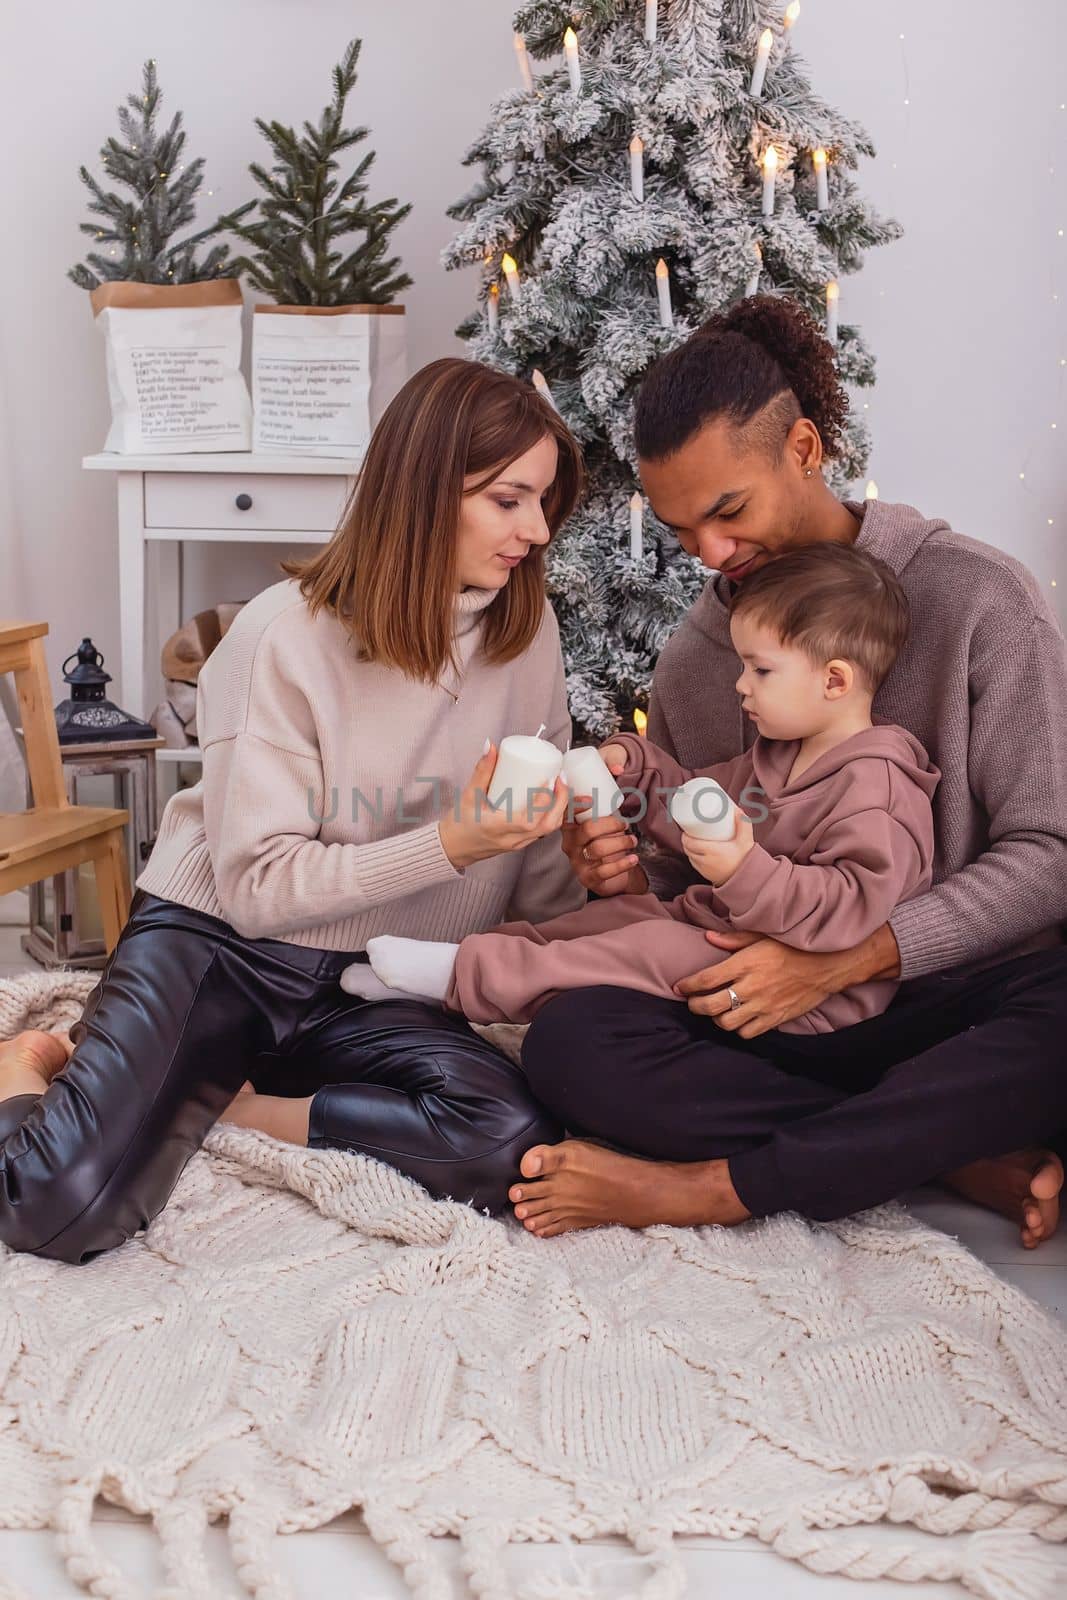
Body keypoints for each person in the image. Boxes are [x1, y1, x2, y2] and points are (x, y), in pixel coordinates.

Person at [504, 296, 1067, 1246]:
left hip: (954, 997)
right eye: (683, 533)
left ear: (802, 449)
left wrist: (854, 957)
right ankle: (930, 1147)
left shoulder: (976, 598)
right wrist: (626, 869)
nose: (713, 557)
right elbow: (689, 885)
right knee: (570, 1044)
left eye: (728, 511)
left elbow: (1049, 854)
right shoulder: (700, 656)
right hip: (776, 1018)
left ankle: (713, 1187)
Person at [0, 357, 588, 1265]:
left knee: (503, 1143)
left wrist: (581, 914)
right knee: (57, 1208)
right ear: (427, 489)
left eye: (543, 501)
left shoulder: (527, 629)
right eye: (508, 500)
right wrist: (451, 843)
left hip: (376, 974)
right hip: (221, 949)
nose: (535, 530)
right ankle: (31, 1061)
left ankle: (229, 1101)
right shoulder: (283, 633)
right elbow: (257, 888)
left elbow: (533, 848)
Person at [361, 544, 940, 1034]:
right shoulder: (776, 755)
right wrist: (632, 767)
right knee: (613, 923)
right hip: (721, 932)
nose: (741, 686)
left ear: (835, 680)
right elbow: (686, 800)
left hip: (803, 995)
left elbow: (852, 909)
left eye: (760, 670)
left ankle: (464, 977)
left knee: (656, 950)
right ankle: (463, 971)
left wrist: (743, 869)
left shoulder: (878, 788)